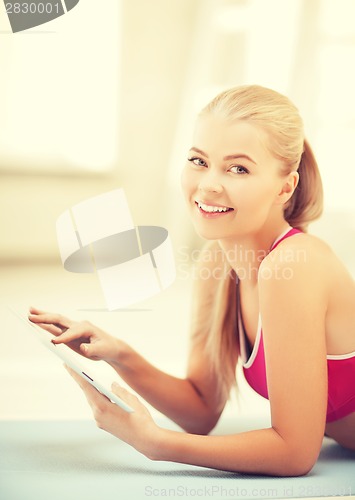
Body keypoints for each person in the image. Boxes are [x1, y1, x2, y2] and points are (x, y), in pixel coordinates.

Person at [29, 85, 355, 477]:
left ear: (285, 187)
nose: (209, 184)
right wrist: (120, 355)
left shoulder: (294, 264)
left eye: (238, 168)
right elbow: (201, 409)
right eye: (199, 160)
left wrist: (155, 443)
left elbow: (295, 453)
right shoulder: (217, 263)